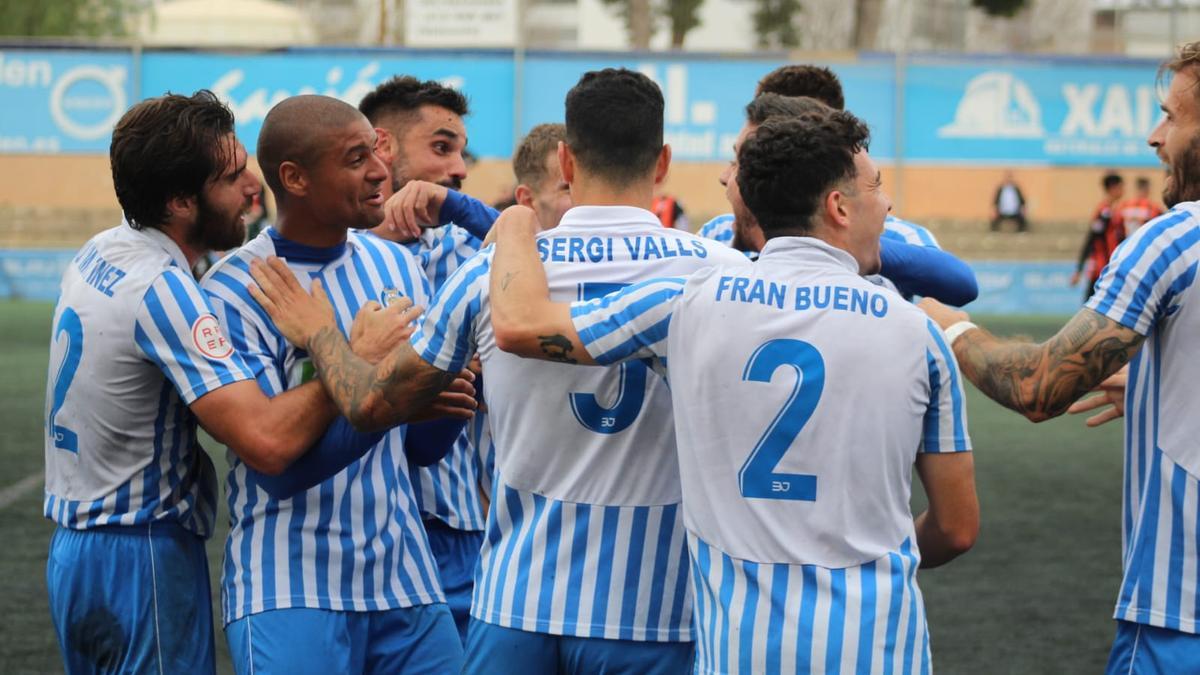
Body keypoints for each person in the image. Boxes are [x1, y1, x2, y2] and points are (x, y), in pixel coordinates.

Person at [247, 68, 753, 673]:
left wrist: (321, 334)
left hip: (516, 605)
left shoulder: (488, 273)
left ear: (564, 162)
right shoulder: (724, 274)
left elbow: (368, 406)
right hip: (651, 611)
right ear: (663, 161)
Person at [485, 109, 979, 673]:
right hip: (877, 646)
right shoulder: (917, 333)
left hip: (737, 649)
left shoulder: (689, 299)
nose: (886, 205)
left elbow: (521, 326)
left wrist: (518, 224)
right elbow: (956, 528)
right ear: (839, 208)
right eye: (877, 187)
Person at [43, 91, 371, 674]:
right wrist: (351, 358)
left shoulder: (102, 250)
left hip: (74, 553)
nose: (254, 187)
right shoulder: (165, 291)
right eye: (230, 176)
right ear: (178, 200)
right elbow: (265, 440)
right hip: (140, 551)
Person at [920, 41, 1200, 673]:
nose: (1155, 137)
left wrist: (951, 326)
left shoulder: (1174, 239)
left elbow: (1039, 388)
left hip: (1182, 613)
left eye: (1173, 117)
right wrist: (1168, 388)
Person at [204, 95, 475, 674]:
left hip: (404, 581)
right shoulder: (237, 289)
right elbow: (281, 471)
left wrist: (450, 397)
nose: (380, 170)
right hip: (290, 588)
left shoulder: (397, 267)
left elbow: (422, 451)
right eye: (356, 159)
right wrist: (372, 377)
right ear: (295, 178)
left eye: (376, 152)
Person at [356, 76, 500, 641]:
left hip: (455, 528)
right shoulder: (317, 258)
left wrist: (460, 207)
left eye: (461, 151)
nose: (459, 166)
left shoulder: (464, 248)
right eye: (442, 148)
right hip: (353, 536)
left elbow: (549, 268)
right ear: (383, 147)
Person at [698, 64, 979, 307]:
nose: (726, 175)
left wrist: (848, 240)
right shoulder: (717, 234)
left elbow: (960, 284)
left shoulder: (892, 233)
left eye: (742, 159)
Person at [1070, 172, 1125, 302]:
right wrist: (1079, 269)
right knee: (1092, 303)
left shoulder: (1115, 212)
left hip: (1111, 266)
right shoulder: (1103, 212)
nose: (1123, 191)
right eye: (1121, 187)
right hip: (1102, 268)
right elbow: (1091, 239)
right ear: (1113, 188)